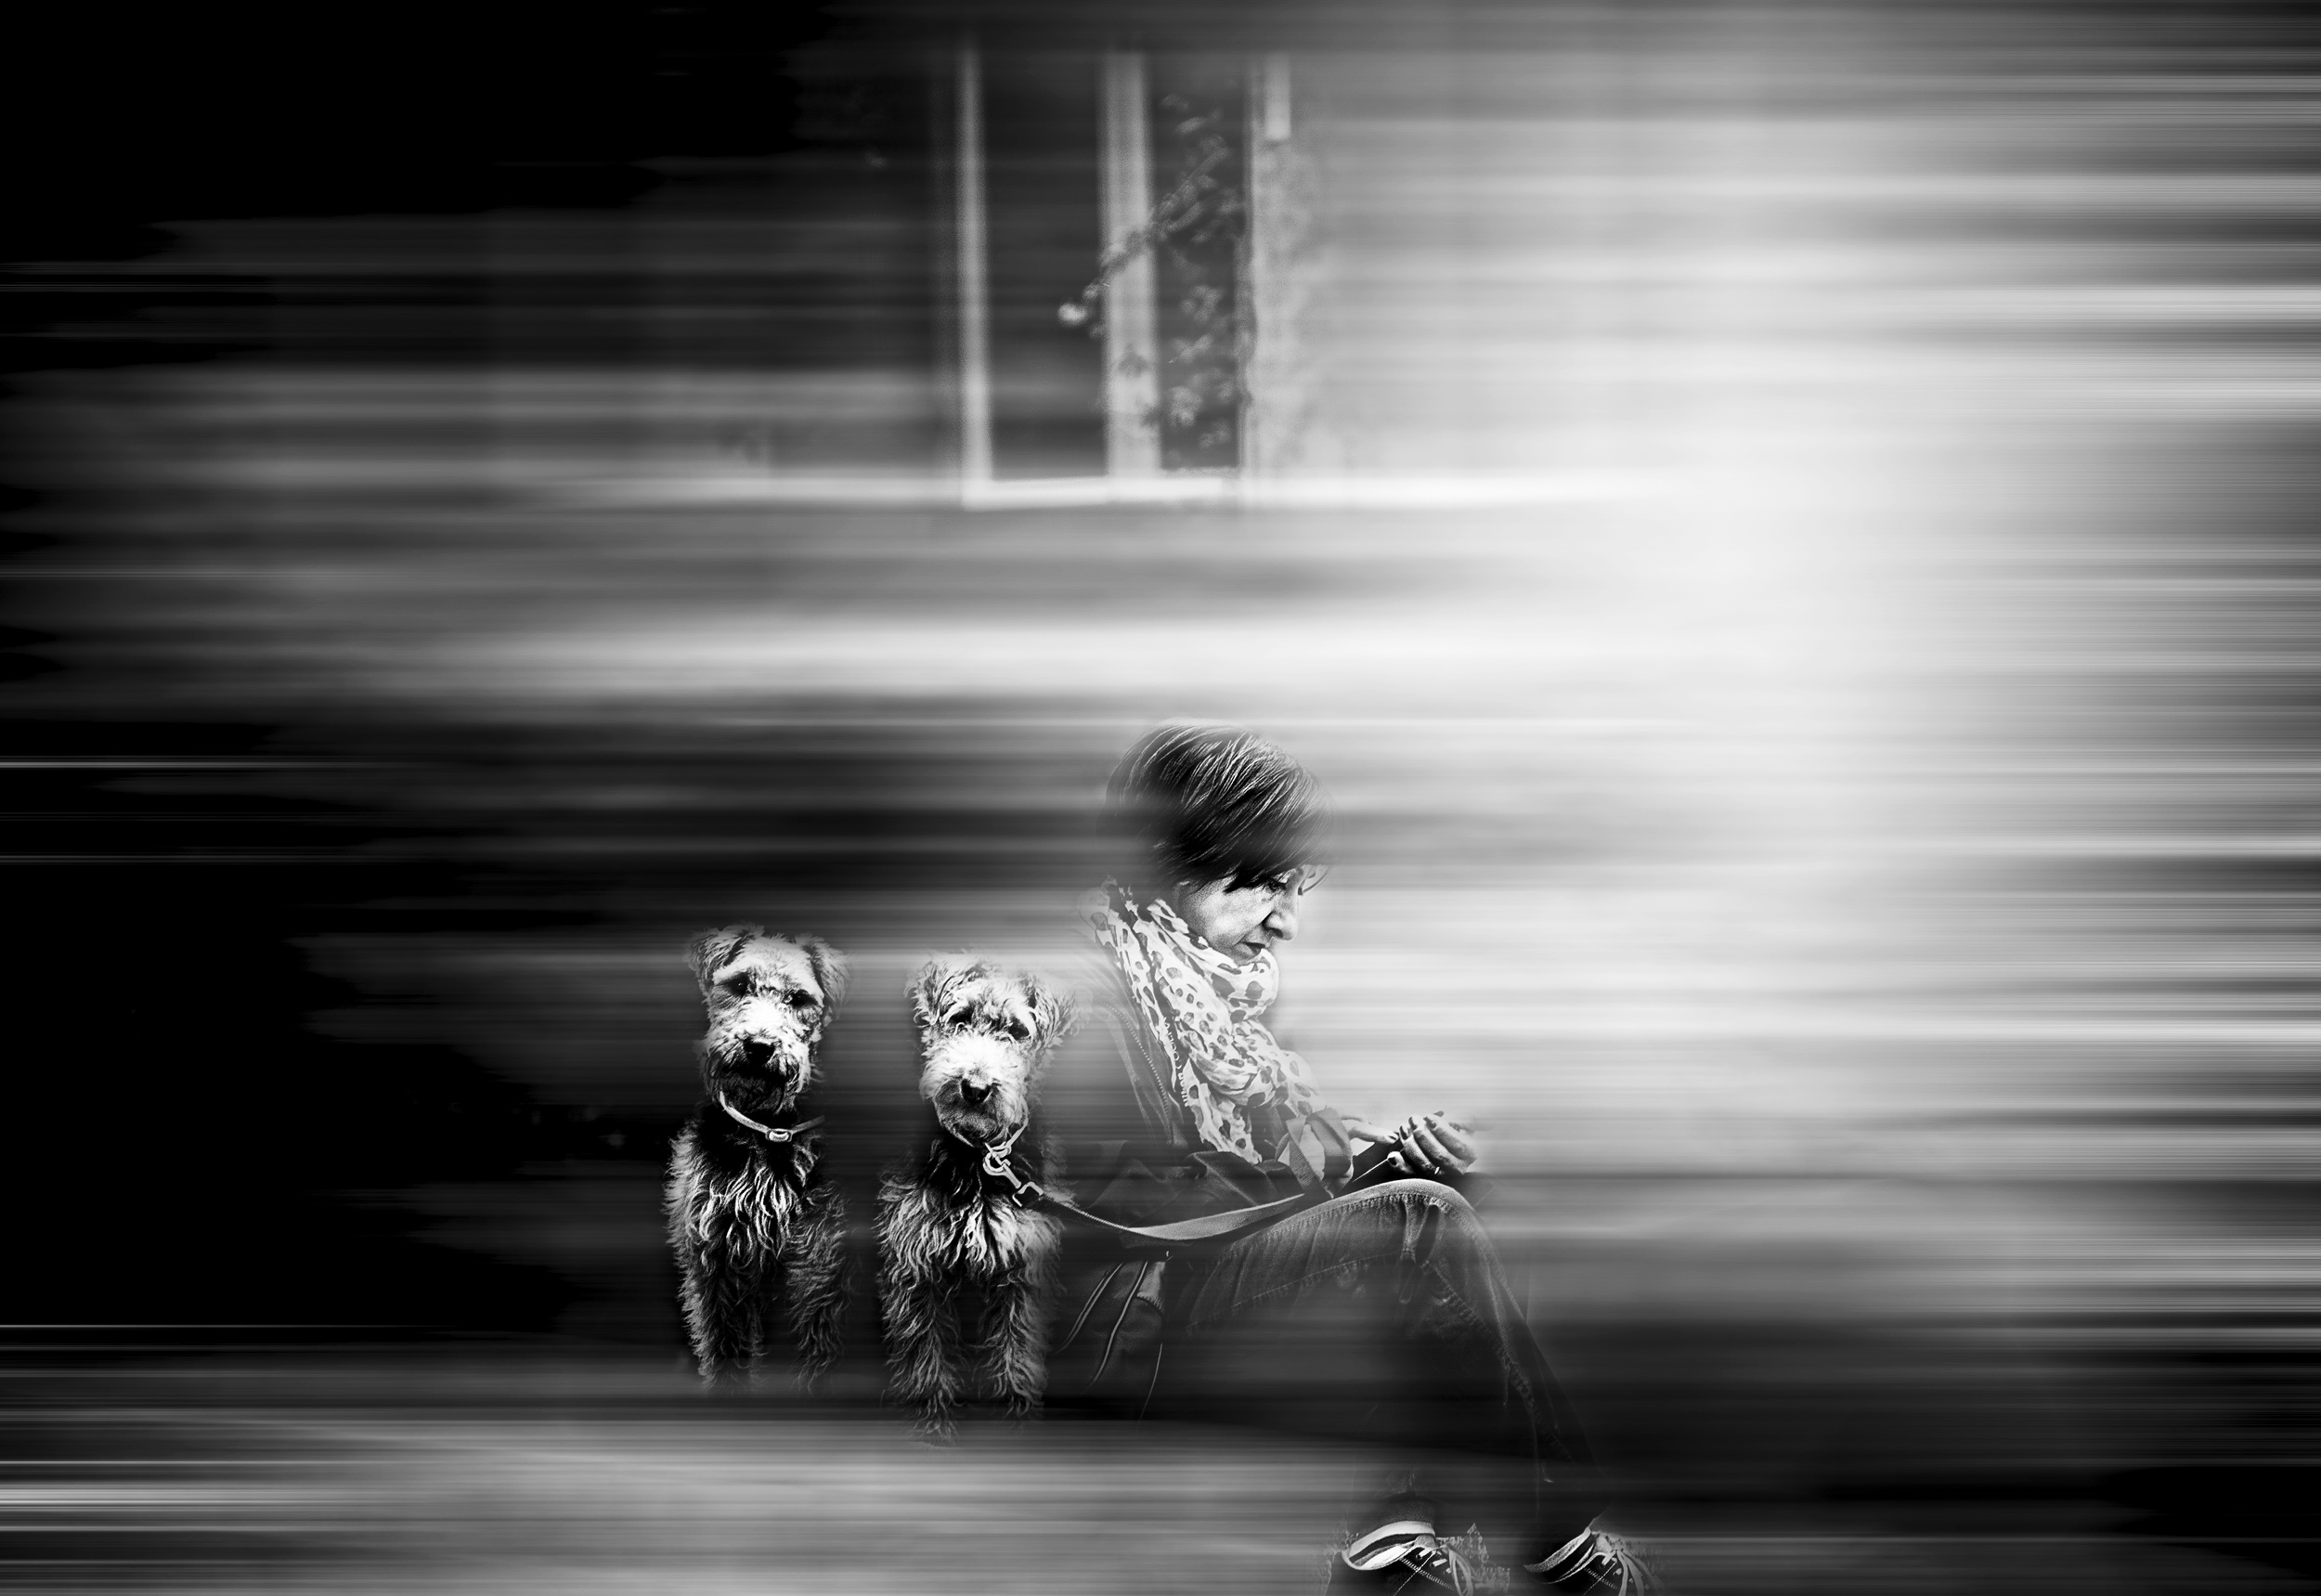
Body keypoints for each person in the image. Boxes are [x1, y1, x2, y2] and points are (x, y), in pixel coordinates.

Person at [1042, 723, 1653, 1594]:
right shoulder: (1083, 991)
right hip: (1135, 1327)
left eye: (1294, 889)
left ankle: (1391, 1537)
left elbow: (1237, 1177)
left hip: (1197, 1283)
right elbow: (1133, 1203)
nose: (1286, 921)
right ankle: (1554, 1540)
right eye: (1264, 883)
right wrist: (1352, 1181)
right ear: (1172, 861)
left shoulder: (1204, 1004)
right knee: (1417, 1221)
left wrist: (1376, 1162)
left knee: (1441, 1195)